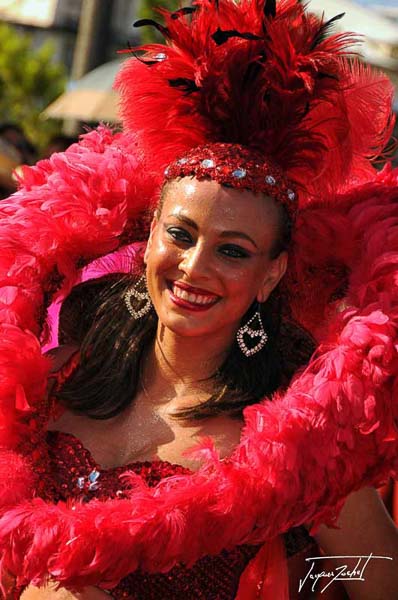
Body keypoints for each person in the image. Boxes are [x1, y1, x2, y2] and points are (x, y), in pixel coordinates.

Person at [1, 1, 398, 599]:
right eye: (181, 236)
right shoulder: (63, 369)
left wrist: (300, 584)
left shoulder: (297, 440)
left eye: (233, 251)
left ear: (272, 274)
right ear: (148, 234)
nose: (193, 268)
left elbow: (375, 577)